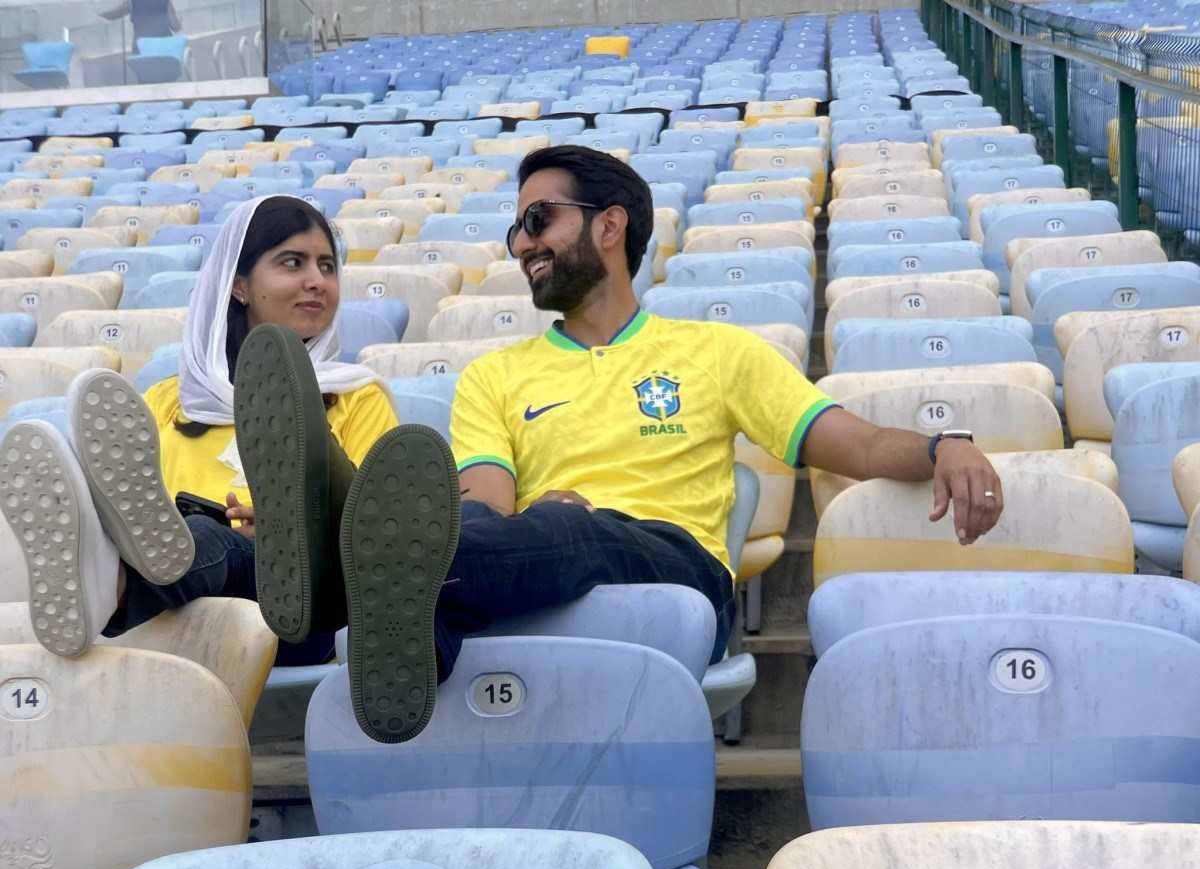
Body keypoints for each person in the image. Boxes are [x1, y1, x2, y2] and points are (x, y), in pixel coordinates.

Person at [225, 145, 1004, 747]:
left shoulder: (717, 351)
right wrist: (520, 522)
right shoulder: (497, 375)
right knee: (476, 540)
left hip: (676, 560)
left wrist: (944, 446)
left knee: (562, 525)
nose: (521, 243)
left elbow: (859, 445)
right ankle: (307, 586)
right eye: (515, 228)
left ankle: (337, 572)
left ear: (609, 225)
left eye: (539, 220)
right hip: (534, 549)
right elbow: (487, 507)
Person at [0, 195, 398, 665]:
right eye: (293, 263)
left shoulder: (356, 397)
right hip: (171, 618)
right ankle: (115, 574)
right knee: (180, 535)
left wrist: (289, 529)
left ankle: (113, 588)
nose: (317, 282)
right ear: (240, 286)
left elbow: (386, 528)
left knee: (202, 540)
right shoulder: (170, 401)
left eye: (328, 266)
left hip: (297, 605)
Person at [99, 0, 182, 51]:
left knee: (145, 76)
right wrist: (180, 21)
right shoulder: (165, 2)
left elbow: (113, 15)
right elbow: (176, 27)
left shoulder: (132, 2)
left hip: (142, 51)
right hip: (164, 50)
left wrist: (97, 14)